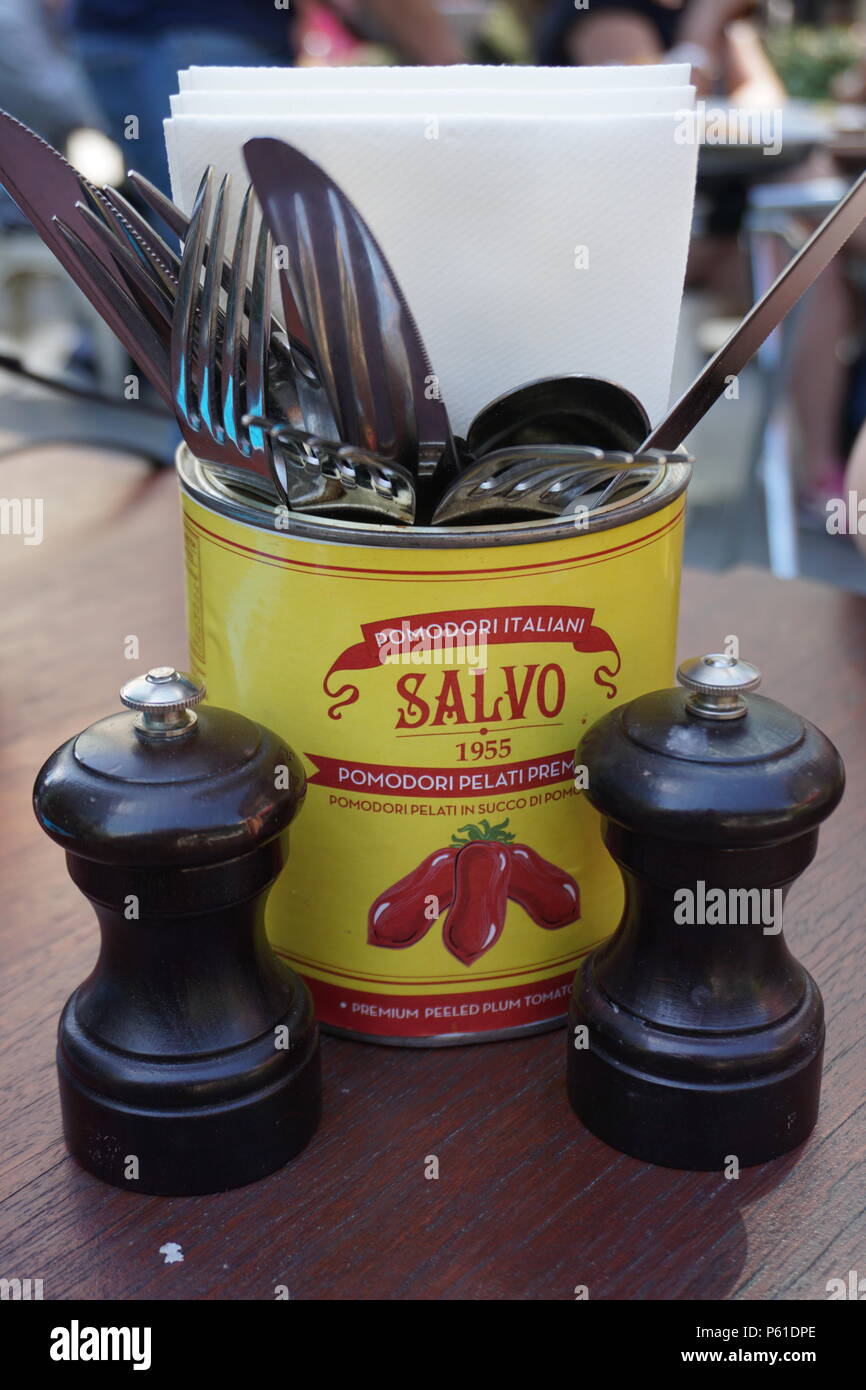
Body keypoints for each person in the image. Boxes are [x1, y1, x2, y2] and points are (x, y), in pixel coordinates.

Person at [72, 0, 465, 196]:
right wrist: (451, 68)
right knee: (228, 252)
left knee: (176, 234)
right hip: (210, 38)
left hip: (104, 38)